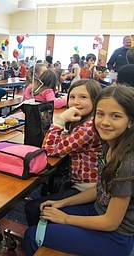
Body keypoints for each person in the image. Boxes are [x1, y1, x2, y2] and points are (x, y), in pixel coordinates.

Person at [25, 85, 134, 256]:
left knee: (32, 235)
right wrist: (63, 203)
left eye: (116, 116)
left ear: (130, 121)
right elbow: (100, 190)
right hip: (98, 209)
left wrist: (66, 219)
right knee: (39, 212)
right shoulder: (109, 146)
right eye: (101, 114)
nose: (105, 122)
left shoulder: (126, 164)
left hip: (117, 236)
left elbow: (111, 222)